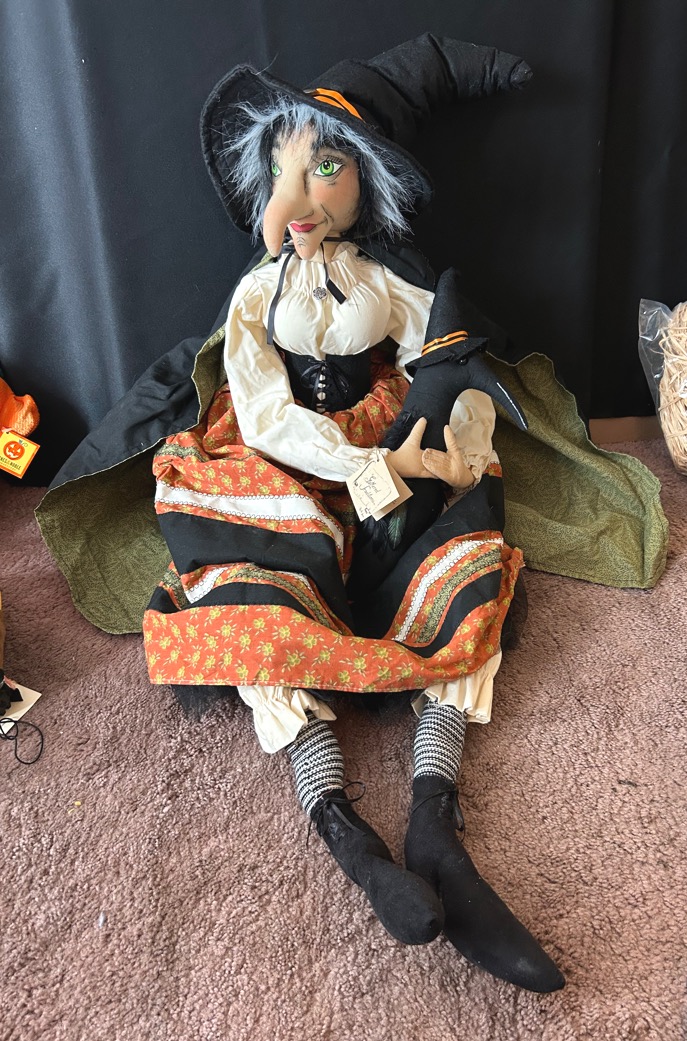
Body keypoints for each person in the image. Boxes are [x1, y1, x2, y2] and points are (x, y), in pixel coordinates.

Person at [142, 36, 565, 991]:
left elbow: (440, 356)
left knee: (461, 553)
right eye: (283, 172)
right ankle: (339, 821)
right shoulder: (260, 293)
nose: (296, 198)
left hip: (387, 432)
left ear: (365, 178)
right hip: (286, 452)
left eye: (324, 168)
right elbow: (262, 409)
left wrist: (449, 442)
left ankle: (433, 815)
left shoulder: (382, 278)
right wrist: (364, 469)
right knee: (252, 584)